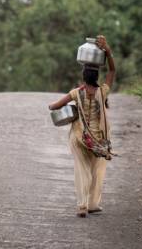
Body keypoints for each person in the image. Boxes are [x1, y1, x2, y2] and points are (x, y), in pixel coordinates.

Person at [48, 35, 116, 218]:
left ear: (83, 77)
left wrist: (52, 106)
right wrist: (108, 52)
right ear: (96, 77)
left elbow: (55, 107)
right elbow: (112, 71)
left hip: (80, 137)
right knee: (97, 169)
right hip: (98, 139)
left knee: (81, 168)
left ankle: (82, 205)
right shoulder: (103, 91)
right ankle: (94, 204)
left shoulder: (76, 93)